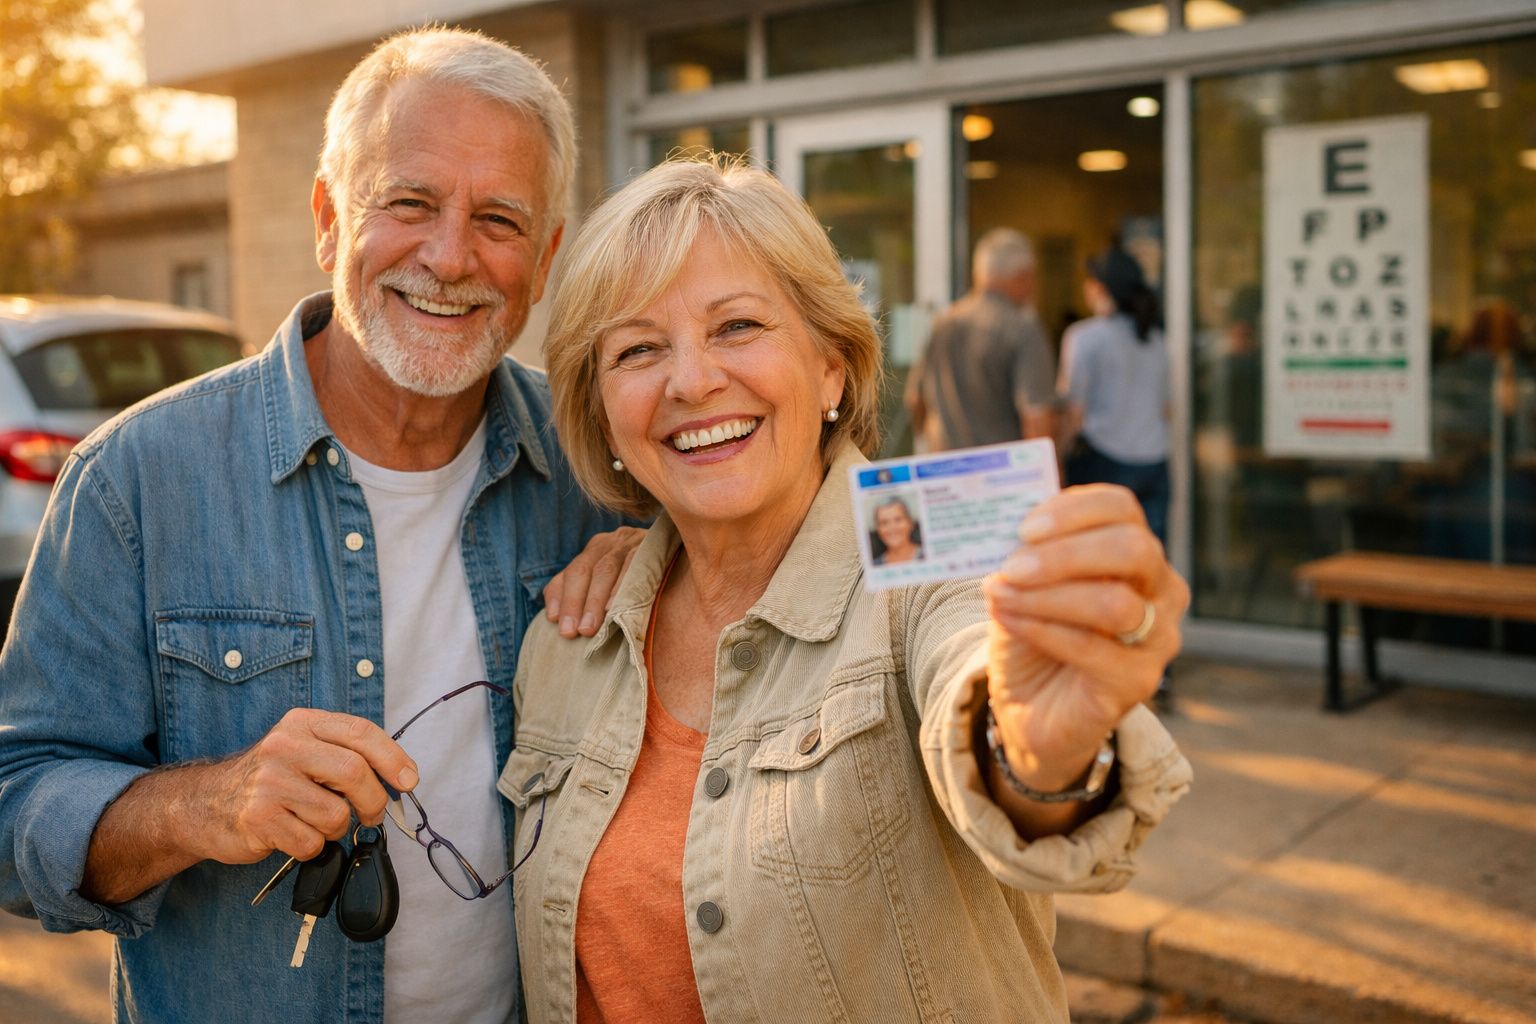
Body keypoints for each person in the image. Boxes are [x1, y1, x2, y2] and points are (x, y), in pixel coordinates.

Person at [0, 28, 641, 1024]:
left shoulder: (601, 474)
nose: (449, 256)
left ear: (547, 255)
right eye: (410, 203)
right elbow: (14, 807)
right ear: (328, 218)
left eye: (499, 220)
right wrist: (207, 804)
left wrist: (670, 561)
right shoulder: (137, 481)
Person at [500, 157, 1193, 1023]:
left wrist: (1042, 750)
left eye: (739, 326)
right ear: (600, 410)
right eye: (639, 349)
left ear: (832, 367)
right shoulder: (566, 640)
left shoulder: (931, 576)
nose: (691, 380)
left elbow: (984, 690)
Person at [905, 227, 1057, 451]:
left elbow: (915, 399)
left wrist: (931, 443)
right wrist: (1050, 477)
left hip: (944, 469)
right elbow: (1036, 418)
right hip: (1000, 473)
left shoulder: (944, 323)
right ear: (1022, 275)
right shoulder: (1023, 328)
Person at [1059, 246, 1171, 546]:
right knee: (1149, 562)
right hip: (1154, 460)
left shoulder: (1084, 337)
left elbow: (1074, 410)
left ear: (1099, 288)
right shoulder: (1156, 339)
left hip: (1106, 459)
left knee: (1103, 557)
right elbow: (1166, 407)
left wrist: (1059, 455)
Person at [872, 495, 923, 564]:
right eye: (884, 523)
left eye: (898, 520)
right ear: (878, 530)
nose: (892, 528)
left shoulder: (928, 554)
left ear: (910, 523)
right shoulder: (874, 565)